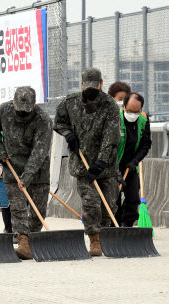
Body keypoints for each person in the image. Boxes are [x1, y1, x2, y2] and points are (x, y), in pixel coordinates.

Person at [54, 68, 120, 256]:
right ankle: (94, 240)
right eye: (87, 86)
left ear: (101, 84)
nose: (91, 89)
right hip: (82, 165)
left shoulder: (110, 106)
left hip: (105, 166)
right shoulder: (70, 103)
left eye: (95, 86)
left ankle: (106, 235)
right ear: (82, 85)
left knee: (109, 205)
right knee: (91, 204)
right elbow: (59, 123)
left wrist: (101, 162)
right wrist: (68, 135)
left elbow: (111, 137)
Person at [0, 86, 52, 260]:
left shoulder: (43, 120)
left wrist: (27, 177)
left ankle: (33, 239)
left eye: (27, 111)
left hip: (38, 170)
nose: (22, 114)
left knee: (38, 210)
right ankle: (23, 241)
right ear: (13, 102)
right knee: (18, 208)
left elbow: (39, 152)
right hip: (11, 166)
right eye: (19, 110)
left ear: (35, 104)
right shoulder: (3, 111)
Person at [115, 93, 151, 227]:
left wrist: (135, 161)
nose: (133, 114)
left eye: (137, 111)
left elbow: (146, 144)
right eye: (130, 111)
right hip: (113, 166)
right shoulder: (115, 119)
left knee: (133, 199)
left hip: (131, 166)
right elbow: (108, 147)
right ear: (124, 106)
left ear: (141, 109)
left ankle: (127, 227)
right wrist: (115, 171)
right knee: (114, 201)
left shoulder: (143, 120)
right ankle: (114, 228)